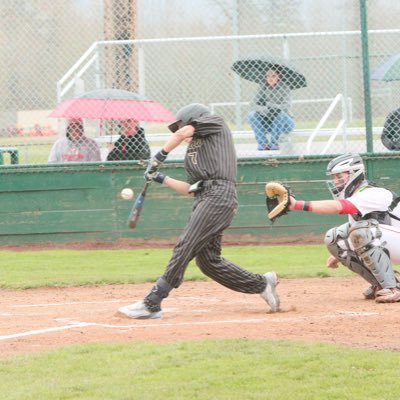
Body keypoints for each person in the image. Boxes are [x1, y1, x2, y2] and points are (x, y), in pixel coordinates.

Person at [118, 103, 280, 319]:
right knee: (208, 262)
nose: (180, 132)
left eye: (181, 126)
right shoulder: (195, 152)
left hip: (219, 196)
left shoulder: (215, 122)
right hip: (206, 198)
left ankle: (152, 302)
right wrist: (161, 178)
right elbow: (192, 190)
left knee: (186, 245)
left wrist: (158, 157)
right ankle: (262, 284)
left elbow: (183, 132)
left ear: (193, 119)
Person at [288, 153, 400, 303]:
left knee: (362, 231)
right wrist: (339, 253)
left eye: (339, 177)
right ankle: (381, 284)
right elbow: (355, 234)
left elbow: (339, 207)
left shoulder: (373, 193)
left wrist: (298, 205)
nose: (336, 181)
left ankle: (393, 288)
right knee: (334, 238)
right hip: (393, 242)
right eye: (334, 177)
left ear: (354, 174)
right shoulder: (356, 197)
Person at [248, 67, 295, 151]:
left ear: (278, 77)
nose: (270, 79)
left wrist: (272, 105)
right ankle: (263, 144)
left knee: (281, 114)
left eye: (273, 76)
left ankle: (274, 143)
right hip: (268, 122)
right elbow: (252, 104)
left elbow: (286, 106)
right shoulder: (263, 87)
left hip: (285, 122)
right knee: (252, 115)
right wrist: (264, 109)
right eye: (268, 76)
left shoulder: (285, 88)